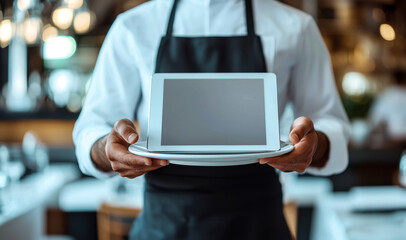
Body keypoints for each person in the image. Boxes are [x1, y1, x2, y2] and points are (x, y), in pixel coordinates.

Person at [73, 0, 350, 239]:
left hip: (257, 222)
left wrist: (314, 144)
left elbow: (330, 124)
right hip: (164, 223)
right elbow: (93, 129)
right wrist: (105, 148)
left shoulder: (295, 26)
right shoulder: (132, 27)